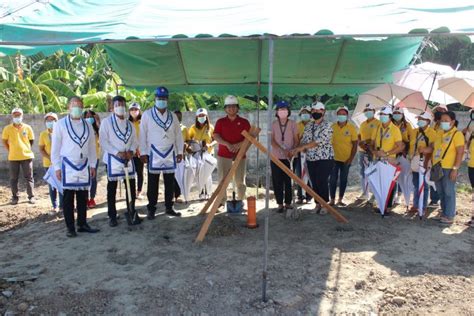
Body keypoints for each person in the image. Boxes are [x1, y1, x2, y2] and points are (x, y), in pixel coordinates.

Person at [51, 97, 100, 237]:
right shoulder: (60, 124)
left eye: (79, 105)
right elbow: (55, 148)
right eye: (74, 105)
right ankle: (70, 227)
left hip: (84, 164)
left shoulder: (88, 125)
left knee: (83, 196)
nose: (77, 107)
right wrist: (57, 167)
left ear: (83, 107)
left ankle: (82, 223)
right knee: (68, 198)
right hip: (67, 165)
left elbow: (91, 146)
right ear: (68, 107)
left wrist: (92, 164)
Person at [139, 86, 184, 219]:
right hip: (153, 152)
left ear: (167, 100)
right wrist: (143, 152)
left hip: (170, 151)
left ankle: (169, 207)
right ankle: (151, 208)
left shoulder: (173, 116)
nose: (161, 100)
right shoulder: (147, 114)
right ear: (155, 99)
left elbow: (178, 135)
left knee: (169, 182)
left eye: (164, 98)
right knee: (153, 182)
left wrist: (180, 151)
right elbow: (142, 135)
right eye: (159, 98)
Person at [100, 95, 141, 227]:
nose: (120, 108)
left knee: (131, 186)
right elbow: (103, 141)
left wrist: (131, 151)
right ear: (112, 108)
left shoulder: (130, 124)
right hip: (113, 159)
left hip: (128, 158)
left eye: (122, 105)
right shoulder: (106, 123)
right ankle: (112, 215)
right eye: (117, 105)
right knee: (111, 188)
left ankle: (131, 211)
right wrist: (117, 152)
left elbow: (135, 140)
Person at [292, 102, 334, 214]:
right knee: (314, 182)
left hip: (325, 158)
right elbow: (304, 140)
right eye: (313, 111)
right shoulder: (309, 126)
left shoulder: (328, 125)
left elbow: (317, 142)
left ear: (323, 111)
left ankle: (325, 204)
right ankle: (317, 204)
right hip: (311, 158)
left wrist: (303, 147)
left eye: (318, 110)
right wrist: (298, 148)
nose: (316, 112)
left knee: (321, 180)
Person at [213, 95, 251, 208]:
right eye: (228, 107)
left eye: (234, 106)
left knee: (240, 180)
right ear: (225, 109)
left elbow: (250, 139)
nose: (231, 109)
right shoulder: (220, 122)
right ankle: (221, 201)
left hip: (240, 155)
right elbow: (216, 136)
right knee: (222, 180)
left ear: (237, 108)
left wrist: (239, 145)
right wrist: (227, 144)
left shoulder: (244, 122)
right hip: (224, 155)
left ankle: (240, 201)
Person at [432, 111, 464, 225]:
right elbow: (435, 148)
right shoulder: (439, 132)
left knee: (449, 192)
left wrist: (455, 169)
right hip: (437, 166)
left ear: (453, 122)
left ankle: (450, 215)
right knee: (440, 191)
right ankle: (444, 212)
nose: (443, 123)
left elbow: (460, 153)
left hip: (449, 168)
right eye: (442, 120)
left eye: (446, 121)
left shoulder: (457, 134)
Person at [370, 105, 404, 213]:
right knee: (380, 182)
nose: (382, 117)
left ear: (390, 116)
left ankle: (388, 206)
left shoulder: (395, 129)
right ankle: (381, 204)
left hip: (389, 160)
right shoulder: (378, 127)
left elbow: (400, 146)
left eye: (384, 115)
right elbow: (372, 143)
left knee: (389, 183)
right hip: (378, 159)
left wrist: (387, 153)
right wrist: (375, 152)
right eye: (381, 115)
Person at [2, 108, 35, 205]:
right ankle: (15, 197)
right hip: (13, 157)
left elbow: (31, 141)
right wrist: (11, 150)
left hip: (27, 156)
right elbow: (4, 141)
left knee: (29, 177)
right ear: (12, 116)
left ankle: (31, 196)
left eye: (19, 115)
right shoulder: (7, 128)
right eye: (15, 115)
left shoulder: (27, 127)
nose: (17, 117)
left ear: (22, 115)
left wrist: (25, 149)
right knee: (13, 178)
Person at [270, 101, 299, 212]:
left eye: (285, 109)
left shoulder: (293, 124)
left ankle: (288, 203)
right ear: (277, 112)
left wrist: (292, 151)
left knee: (288, 181)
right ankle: (280, 204)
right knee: (277, 181)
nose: (282, 111)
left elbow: (296, 140)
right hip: (276, 157)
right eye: (280, 109)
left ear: (288, 111)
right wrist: (282, 150)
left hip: (291, 157)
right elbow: (272, 141)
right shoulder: (273, 124)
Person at [408, 111, 436, 215]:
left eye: (422, 119)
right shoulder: (414, 131)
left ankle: (422, 206)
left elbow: (432, 148)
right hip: (414, 162)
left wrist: (426, 163)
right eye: (418, 119)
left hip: (425, 162)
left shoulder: (432, 133)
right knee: (416, 184)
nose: (419, 121)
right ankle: (416, 205)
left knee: (424, 185)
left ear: (428, 121)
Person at [329, 106, 358, 206]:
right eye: (340, 114)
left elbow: (355, 144)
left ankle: (340, 199)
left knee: (343, 179)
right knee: (332, 179)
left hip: (346, 159)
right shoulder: (332, 127)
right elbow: (328, 143)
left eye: (344, 114)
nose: (342, 116)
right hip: (333, 159)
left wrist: (350, 159)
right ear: (337, 115)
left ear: (347, 115)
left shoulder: (351, 128)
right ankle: (332, 199)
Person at [188, 108, 217, 199]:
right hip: (197, 154)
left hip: (208, 154)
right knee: (199, 174)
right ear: (196, 117)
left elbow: (216, 139)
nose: (201, 117)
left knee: (207, 174)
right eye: (199, 116)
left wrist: (210, 145)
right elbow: (188, 140)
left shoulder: (210, 127)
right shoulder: (193, 128)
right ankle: (201, 192)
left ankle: (208, 192)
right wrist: (192, 145)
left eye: (203, 115)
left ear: (206, 116)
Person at [39, 112, 63, 212]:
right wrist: (50, 158)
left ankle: (62, 206)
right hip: (48, 163)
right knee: (52, 185)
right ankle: (54, 205)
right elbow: (41, 149)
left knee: (61, 184)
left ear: (56, 121)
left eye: (52, 120)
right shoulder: (43, 134)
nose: (50, 122)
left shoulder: (61, 131)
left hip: (61, 163)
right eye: (48, 120)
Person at [357, 103, 381, 201]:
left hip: (373, 151)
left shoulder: (378, 123)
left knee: (374, 172)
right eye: (366, 110)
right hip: (362, 151)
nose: (368, 112)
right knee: (363, 172)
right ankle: (365, 193)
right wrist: (360, 143)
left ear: (374, 111)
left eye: (370, 110)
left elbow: (377, 138)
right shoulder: (362, 124)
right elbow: (359, 136)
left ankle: (374, 194)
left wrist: (369, 144)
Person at [429, 105, 448, 207]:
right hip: (433, 155)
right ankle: (434, 200)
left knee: (444, 181)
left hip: (443, 157)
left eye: (442, 111)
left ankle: (445, 204)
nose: (439, 112)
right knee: (434, 177)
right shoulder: (433, 123)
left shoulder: (446, 126)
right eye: (438, 110)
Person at [294, 105, 312, 204]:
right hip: (299, 153)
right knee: (299, 174)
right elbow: (295, 139)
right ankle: (300, 196)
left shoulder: (314, 125)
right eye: (303, 113)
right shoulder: (297, 125)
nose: (305, 115)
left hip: (311, 154)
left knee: (310, 175)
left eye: (307, 113)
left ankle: (309, 196)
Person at [83, 110, 101, 209]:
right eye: (87, 116)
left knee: (93, 178)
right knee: (85, 178)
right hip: (84, 157)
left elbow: (103, 137)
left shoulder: (97, 129)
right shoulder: (82, 128)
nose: (89, 118)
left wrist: (98, 122)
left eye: (91, 116)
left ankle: (92, 198)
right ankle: (85, 199)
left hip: (95, 157)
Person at [129, 102, 144, 199]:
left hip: (141, 151)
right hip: (130, 151)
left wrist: (140, 149)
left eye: (136, 109)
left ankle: (139, 191)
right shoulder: (127, 122)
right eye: (132, 110)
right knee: (131, 172)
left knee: (140, 172)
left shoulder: (143, 122)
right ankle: (131, 191)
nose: (134, 111)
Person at [173, 110, 189, 202]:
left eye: (179, 116)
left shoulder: (184, 128)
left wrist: (186, 145)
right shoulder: (169, 127)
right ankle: (171, 195)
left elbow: (187, 140)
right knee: (171, 175)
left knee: (179, 175)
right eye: (176, 116)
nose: (178, 118)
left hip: (180, 154)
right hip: (170, 154)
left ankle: (178, 195)